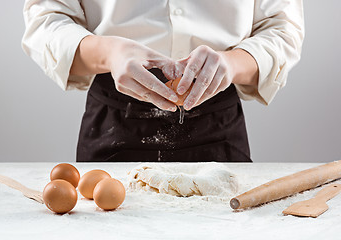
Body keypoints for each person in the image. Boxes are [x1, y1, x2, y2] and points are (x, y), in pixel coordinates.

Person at [21, 0, 304, 162]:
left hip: (217, 120)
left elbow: (281, 28)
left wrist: (231, 63)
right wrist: (110, 53)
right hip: (114, 117)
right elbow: (47, 20)